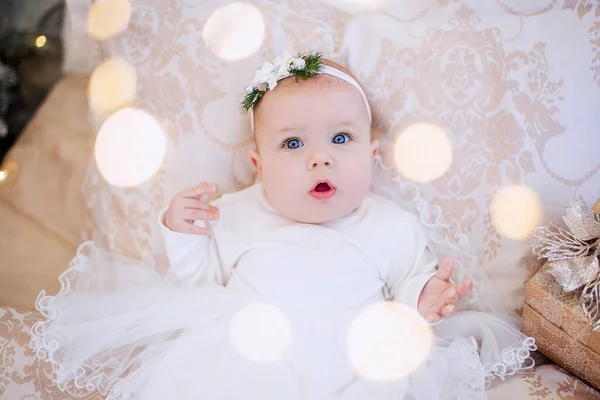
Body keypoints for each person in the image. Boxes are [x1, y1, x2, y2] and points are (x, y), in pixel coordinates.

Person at [30, 51, 535, 400]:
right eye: (293, 144)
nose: (320, 159)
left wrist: (423, 299)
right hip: (248, 346)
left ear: (372, 154)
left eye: (341, 139)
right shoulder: (236, 212)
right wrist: (182, 232)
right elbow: (202, 285)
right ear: (258, 164)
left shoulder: (389, 225)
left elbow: (406, 283)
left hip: (354, 353)